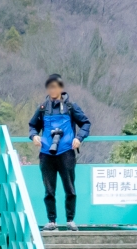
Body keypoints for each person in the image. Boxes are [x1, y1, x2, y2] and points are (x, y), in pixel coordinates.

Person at [28, 74, 90, 230]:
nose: (52, 90)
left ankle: (70, 220)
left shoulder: (70, 106)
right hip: (46, 154)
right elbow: (32, 125)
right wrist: (34, 136)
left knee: (69, 187)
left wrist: (79, 138)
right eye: (50, 86)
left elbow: (85, 123)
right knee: (49, 189)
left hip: (66, 152)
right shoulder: (42, 108)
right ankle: (52, 221)